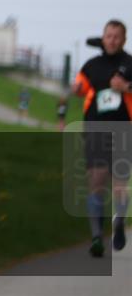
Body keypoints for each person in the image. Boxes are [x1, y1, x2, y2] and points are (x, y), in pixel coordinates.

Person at [70, 19, 132, 258]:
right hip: (96, 130)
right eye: (109, 35)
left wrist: (126, 88)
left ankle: (118, 223)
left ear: (124, 40)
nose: (112, 40)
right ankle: (96, 237)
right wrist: (76, 90)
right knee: (96, 181)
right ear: (103, 37)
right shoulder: (91, 65)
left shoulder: (129, 63)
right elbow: (80, 87)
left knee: (118, 185)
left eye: (117, 36)